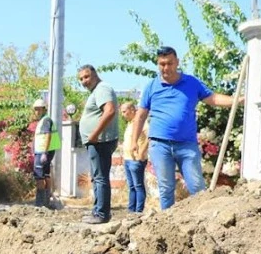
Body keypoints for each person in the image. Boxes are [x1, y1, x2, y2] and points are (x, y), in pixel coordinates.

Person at [127, 47, 236, 210]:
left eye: (169, 63)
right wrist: (134, 141)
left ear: (177, 62)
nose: (166, 68)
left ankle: (202, 219)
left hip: (187, 145)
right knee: (165, 189)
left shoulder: (191, 83)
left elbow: (212, 98)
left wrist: (237, 100)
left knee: (197, 187)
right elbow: (141, 115)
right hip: (160, 145)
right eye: (161, 64)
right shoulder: (151, 86)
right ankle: (168, 226)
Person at [76, 64, 118, 224]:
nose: (84, 81)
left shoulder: (102, 88)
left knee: (100, 177)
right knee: (97, 177)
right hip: (96, 142)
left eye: (86, 77)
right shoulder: (97, 91)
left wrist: (94, 134)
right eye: (81, 79)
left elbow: (110, 110)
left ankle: (102, 214)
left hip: (100, 142)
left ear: (95, 74)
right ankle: (97, 211)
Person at [119, 101, 148, 213]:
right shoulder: (131, 123)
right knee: (131, 186)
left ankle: (138, 211)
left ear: (132, 110)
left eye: (124, 112)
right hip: (128, 159)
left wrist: (141, 153)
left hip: (136, 160)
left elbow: (148, 137)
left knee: (138, 186)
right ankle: (131, 211)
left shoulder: (141, 122)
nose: (123, 114)